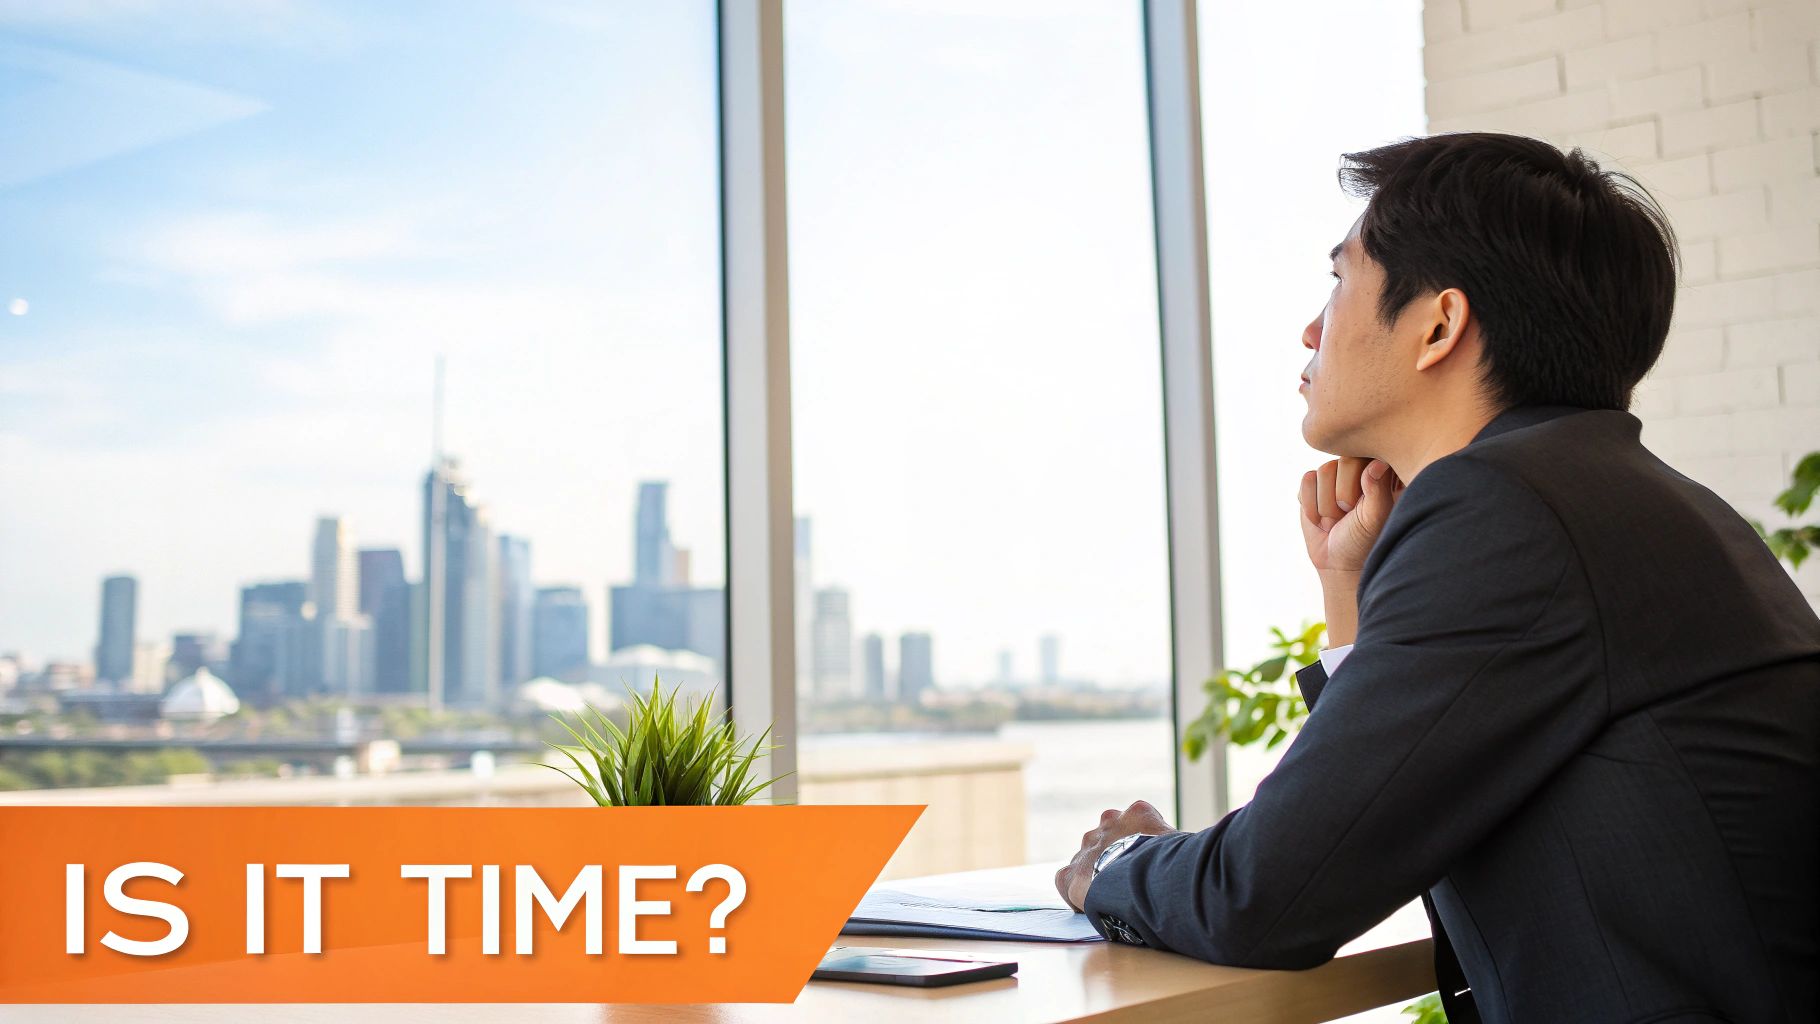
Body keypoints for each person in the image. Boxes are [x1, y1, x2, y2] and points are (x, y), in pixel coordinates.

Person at [1053, 132, 1820, 1024]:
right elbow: (1370, 818)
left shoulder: (1508, 509)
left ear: (1440, 326)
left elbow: (1261, 897)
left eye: (1338, 280)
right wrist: (1349, 587)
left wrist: (1111, 863)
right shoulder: (1627, 498)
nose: (1310, 330)